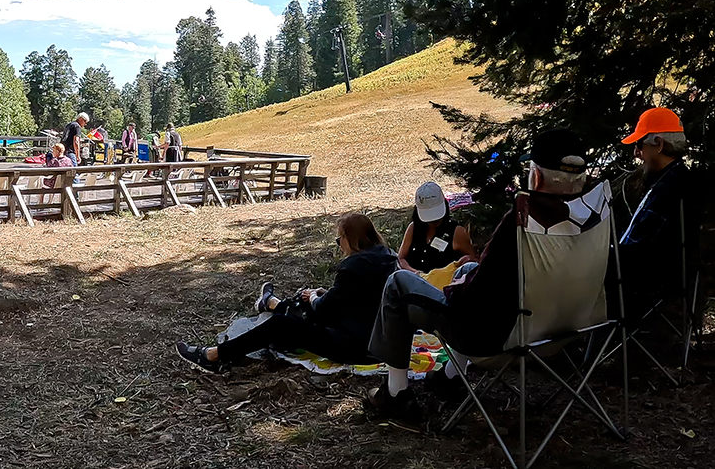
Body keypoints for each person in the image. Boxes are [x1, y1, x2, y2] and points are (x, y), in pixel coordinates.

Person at [366, 129, 596, 415]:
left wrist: (457, 285)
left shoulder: (522, 222)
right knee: (472, 267)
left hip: (496, 337)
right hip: (565, 327)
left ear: (535, 177)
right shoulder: (593, 220)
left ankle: (395, 392)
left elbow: (477, 297)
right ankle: (450, 377)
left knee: (398, 282)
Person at [175, 213, 400, 373]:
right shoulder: (388, 257)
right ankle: (270, 304)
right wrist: (325, 294)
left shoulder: (352, 267)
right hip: (381, 340)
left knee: (281, 324)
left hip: (356, 347)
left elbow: (324, 308)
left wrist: (315, 297)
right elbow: (360, 298)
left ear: (350, 239)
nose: (338, 244)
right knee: (301, 311)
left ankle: (213, 356)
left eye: (339, 238)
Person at [614, 107, 692, 315]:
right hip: (651, 275)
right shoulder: (672, 178)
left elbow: (640, 247)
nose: (636, 153)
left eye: (639, 145)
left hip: (642, 282)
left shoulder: (671, 186)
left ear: (658, 145)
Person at [397, 181, 477, 274]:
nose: (433, 222)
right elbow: (401, 258)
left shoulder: (456, 232)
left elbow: (472, 262)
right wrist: (415, 273)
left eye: (437, 219)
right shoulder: (413, 228)